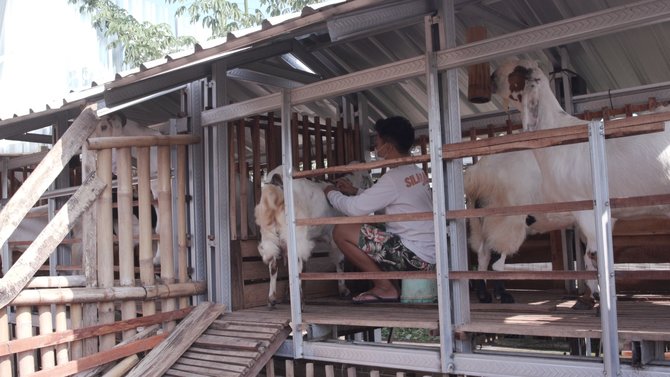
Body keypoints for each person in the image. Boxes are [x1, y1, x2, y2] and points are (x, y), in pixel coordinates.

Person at [323, 116, 435, 304]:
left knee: (342, 231)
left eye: (378, 141)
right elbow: (392, 200)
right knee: (371, 227)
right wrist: (355, 191)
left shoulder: (393, 177)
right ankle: (389, 285)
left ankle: (385, 287)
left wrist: (330, 193)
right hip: (428, 256)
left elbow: (354, 209)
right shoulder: (416, 171)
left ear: (389, 147)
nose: (375, 145)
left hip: (414, 258)